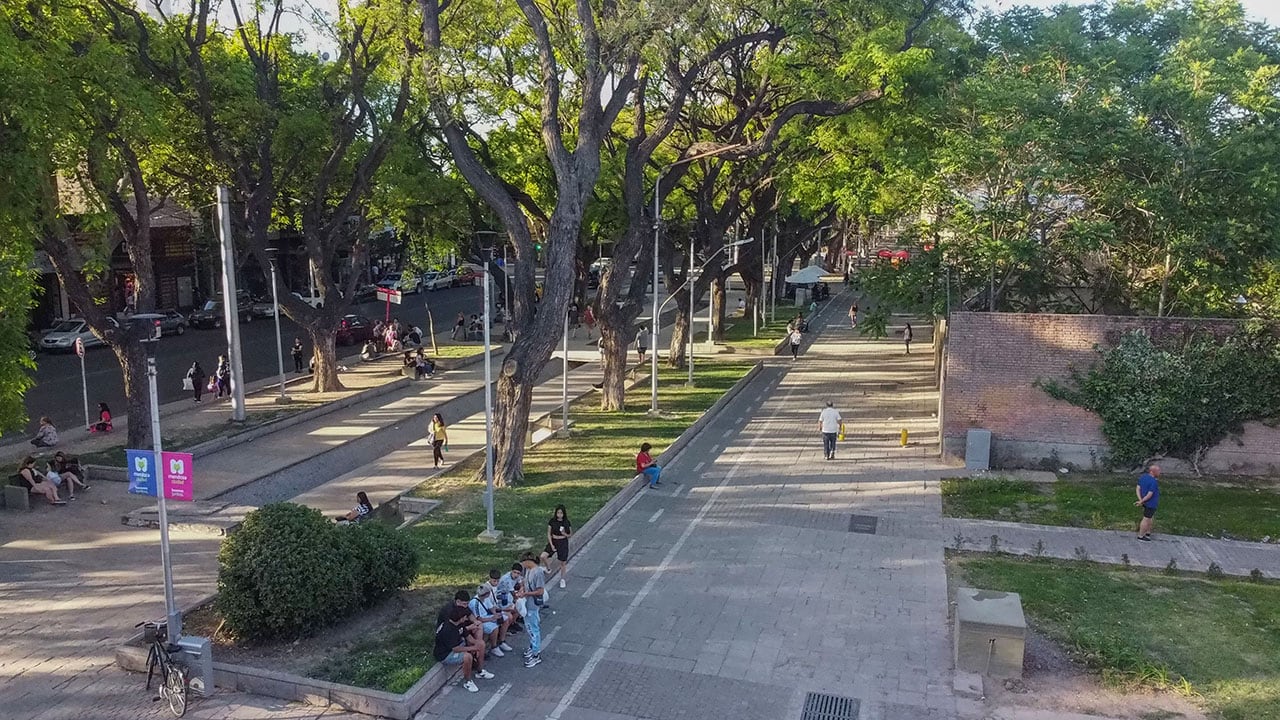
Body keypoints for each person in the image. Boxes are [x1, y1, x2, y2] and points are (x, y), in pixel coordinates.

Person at [433, 605, 494, 693]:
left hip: (457, 644)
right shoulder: (448, 630)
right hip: (446, 653)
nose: (466, 619)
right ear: (461, 618)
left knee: (481, 644)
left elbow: (468, 636)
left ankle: (480, 671)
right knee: (467, 657)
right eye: (465, 617)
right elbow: (456, 649)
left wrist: (477, 644)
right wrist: (473, 648)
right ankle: (468, 681)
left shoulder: (459, 624)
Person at [516, 552, 547, 668]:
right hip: (527, 603)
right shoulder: (528, 570)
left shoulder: (538, 572)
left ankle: (536, 654)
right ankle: (532, 647)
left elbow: (540, 591)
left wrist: (526, 594)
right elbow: (525, 582)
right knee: (529, 627)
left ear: (528, 561)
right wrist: (522, 589)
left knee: (533, 628)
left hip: (532, 605)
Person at [469, 583, 513, 657]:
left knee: (506, 618)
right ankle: (494, 647)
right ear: (487, 594)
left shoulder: (486, 599)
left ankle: (502, 641)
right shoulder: (475, 603)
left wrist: (495, 614)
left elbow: (491, 608)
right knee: (494, 627)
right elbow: (478, 618)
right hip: (483, 620)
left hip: (488, 616)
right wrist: (491, 618)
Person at [540, 505, 573, 588]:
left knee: (562, 562)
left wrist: (564, 533)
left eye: (561, 513)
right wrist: (551, 544)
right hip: (554, 540)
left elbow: (570, 534)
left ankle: (562, 579)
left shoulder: (566, 522)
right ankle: (548, 568)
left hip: (562, 542)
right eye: (558, 513)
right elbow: (549, 533)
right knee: (543, 556)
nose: (559, 515)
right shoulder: (552, 521)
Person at [1135, 464, 1160, 541]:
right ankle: (1141, 535)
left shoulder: (1143, 477)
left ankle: (1148, 532)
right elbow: (1150, 494)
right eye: (1158, 471)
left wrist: (1140, 500)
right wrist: (1141, 501)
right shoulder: (1153, 482)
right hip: (1150, 503)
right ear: (1152, 472)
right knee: (1146, 518)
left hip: (1145, 502)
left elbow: (1138, 488)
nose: (1159, 473)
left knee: (1150, 517)